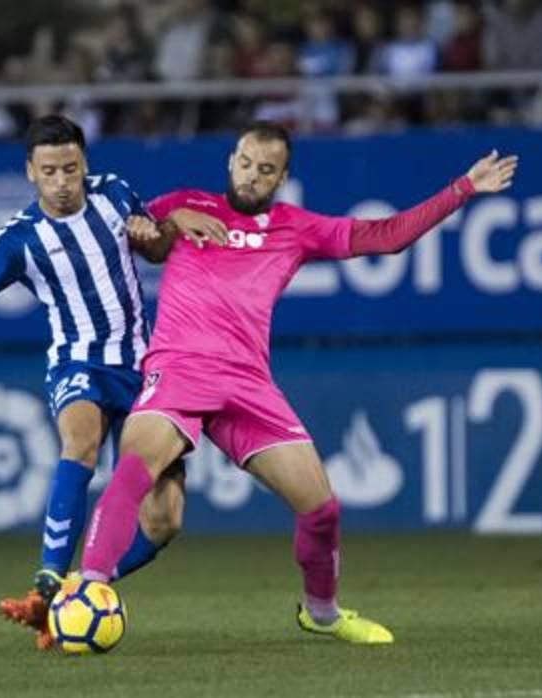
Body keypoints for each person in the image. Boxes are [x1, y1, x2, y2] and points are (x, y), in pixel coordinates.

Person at [75, 121, 518, 644]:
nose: (252, 175)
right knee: (134, 470)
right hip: (179, 367)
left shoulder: (295, 227)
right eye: (245, 162)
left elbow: (388, 236)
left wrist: (462, 188)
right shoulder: (188, 202)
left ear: (282, 177)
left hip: (247, 382)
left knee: (322, 508)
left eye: (266, 169)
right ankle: (86, 586)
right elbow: (134, 235)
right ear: (230, 160)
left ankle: (321, 611)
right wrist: (165, 222)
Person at [0, 115, 214, 649]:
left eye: (70, 168)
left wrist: (155, 233)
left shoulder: (116, 194)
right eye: (49, 171)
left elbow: (159, 251)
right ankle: (47, 584)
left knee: (164, 519)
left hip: (146, 366)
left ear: (85, 164)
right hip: (78, 364)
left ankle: (80, 593)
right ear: (30, 172)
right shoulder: (19, 240)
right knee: (81, 439)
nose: (62, 181)